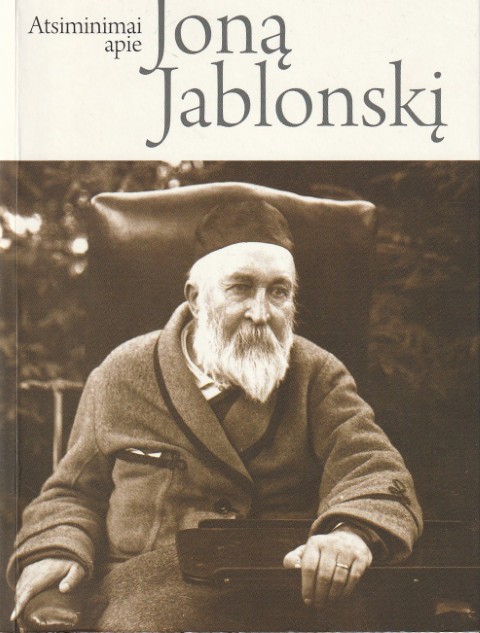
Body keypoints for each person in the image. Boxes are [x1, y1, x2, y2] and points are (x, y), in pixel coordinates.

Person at [8, 199, 422, 630]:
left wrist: (350, 533)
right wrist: (55, 547)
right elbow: (73, 493)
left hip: (284, 591)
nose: (261, 313)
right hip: (148, 593)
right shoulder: (122, 373)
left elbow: (373, 467)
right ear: (196, 298)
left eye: (278, 292)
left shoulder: (316, 374)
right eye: (241, 288)